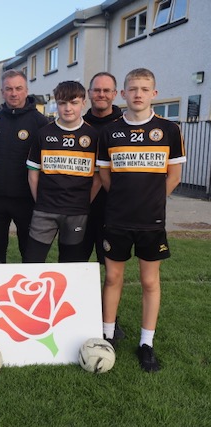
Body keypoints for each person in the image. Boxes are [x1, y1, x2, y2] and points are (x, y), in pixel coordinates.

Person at [97, 68, 186, 372]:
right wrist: (125, 197)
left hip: (151, 221)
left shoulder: (169, 130)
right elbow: (105, 174)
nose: (138, 94)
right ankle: (107, 337)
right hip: (117, 219)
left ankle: (146, 344)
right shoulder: (110, 132)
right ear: (122, 94)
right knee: (112, 278)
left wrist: (150, 200)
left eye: (144, 89)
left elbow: (174, 176)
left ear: (154, 94)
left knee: (150, 281)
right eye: (132, 89)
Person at [23, 81, 99, 263]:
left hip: (77, 212)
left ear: (83, 103)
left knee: (71, 264)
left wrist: (84, 201)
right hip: (45, 210)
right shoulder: (44, 133)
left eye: (73, 103)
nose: (68, 108)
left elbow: (98, 177)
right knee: (32, 261)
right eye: (62, 103)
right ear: (56, 103)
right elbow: (33, 173)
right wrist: (40, 200)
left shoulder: (93, 136)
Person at [0, 70, 49, 262]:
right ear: (2, 92)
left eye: (18, 88)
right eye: (9, 89)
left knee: (29, 254)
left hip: (27, 200)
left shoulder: (40, 122)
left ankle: (28, 290)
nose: (14, 93)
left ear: (26, 90)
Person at [79, 72, 123, 264]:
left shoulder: (125, 126)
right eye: (97, 90)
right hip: (79, 207)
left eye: (106, 90)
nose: (101, 94)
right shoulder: (77, 125)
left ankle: (106, 297)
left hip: (112, 209)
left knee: (110, 267)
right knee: (76, 263)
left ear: (115, 94)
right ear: (89, 93)